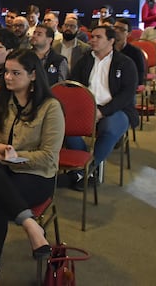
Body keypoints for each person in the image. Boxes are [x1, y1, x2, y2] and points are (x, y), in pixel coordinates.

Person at [0, 50, 64, 285]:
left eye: (16, 73)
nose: (8, 78)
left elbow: (48, 157)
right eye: (6, 72)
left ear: (33, 75)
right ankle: (29, 223)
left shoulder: (50, 107)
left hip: (35, 176)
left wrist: (11, 157)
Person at [65, 26, 138, 189]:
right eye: (92, 36)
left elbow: (127, 95)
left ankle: (89, 168)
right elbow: (73, 87)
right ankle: (84, 166)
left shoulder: (125, 63)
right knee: (64, 126)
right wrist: (84, 109)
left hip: (117, 109)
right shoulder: (84, 60)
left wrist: (103, 111)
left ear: (111, 41)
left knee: (109, 128)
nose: (92, 40)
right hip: (86, 108)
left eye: (98, 37)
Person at [112, 19, 146, 86]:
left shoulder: (135, 52)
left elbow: (140, 76)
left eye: (122, 29)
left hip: (127, 85)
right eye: (115, 27)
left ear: (129, 34)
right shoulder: (106, 49)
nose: (117, 31)